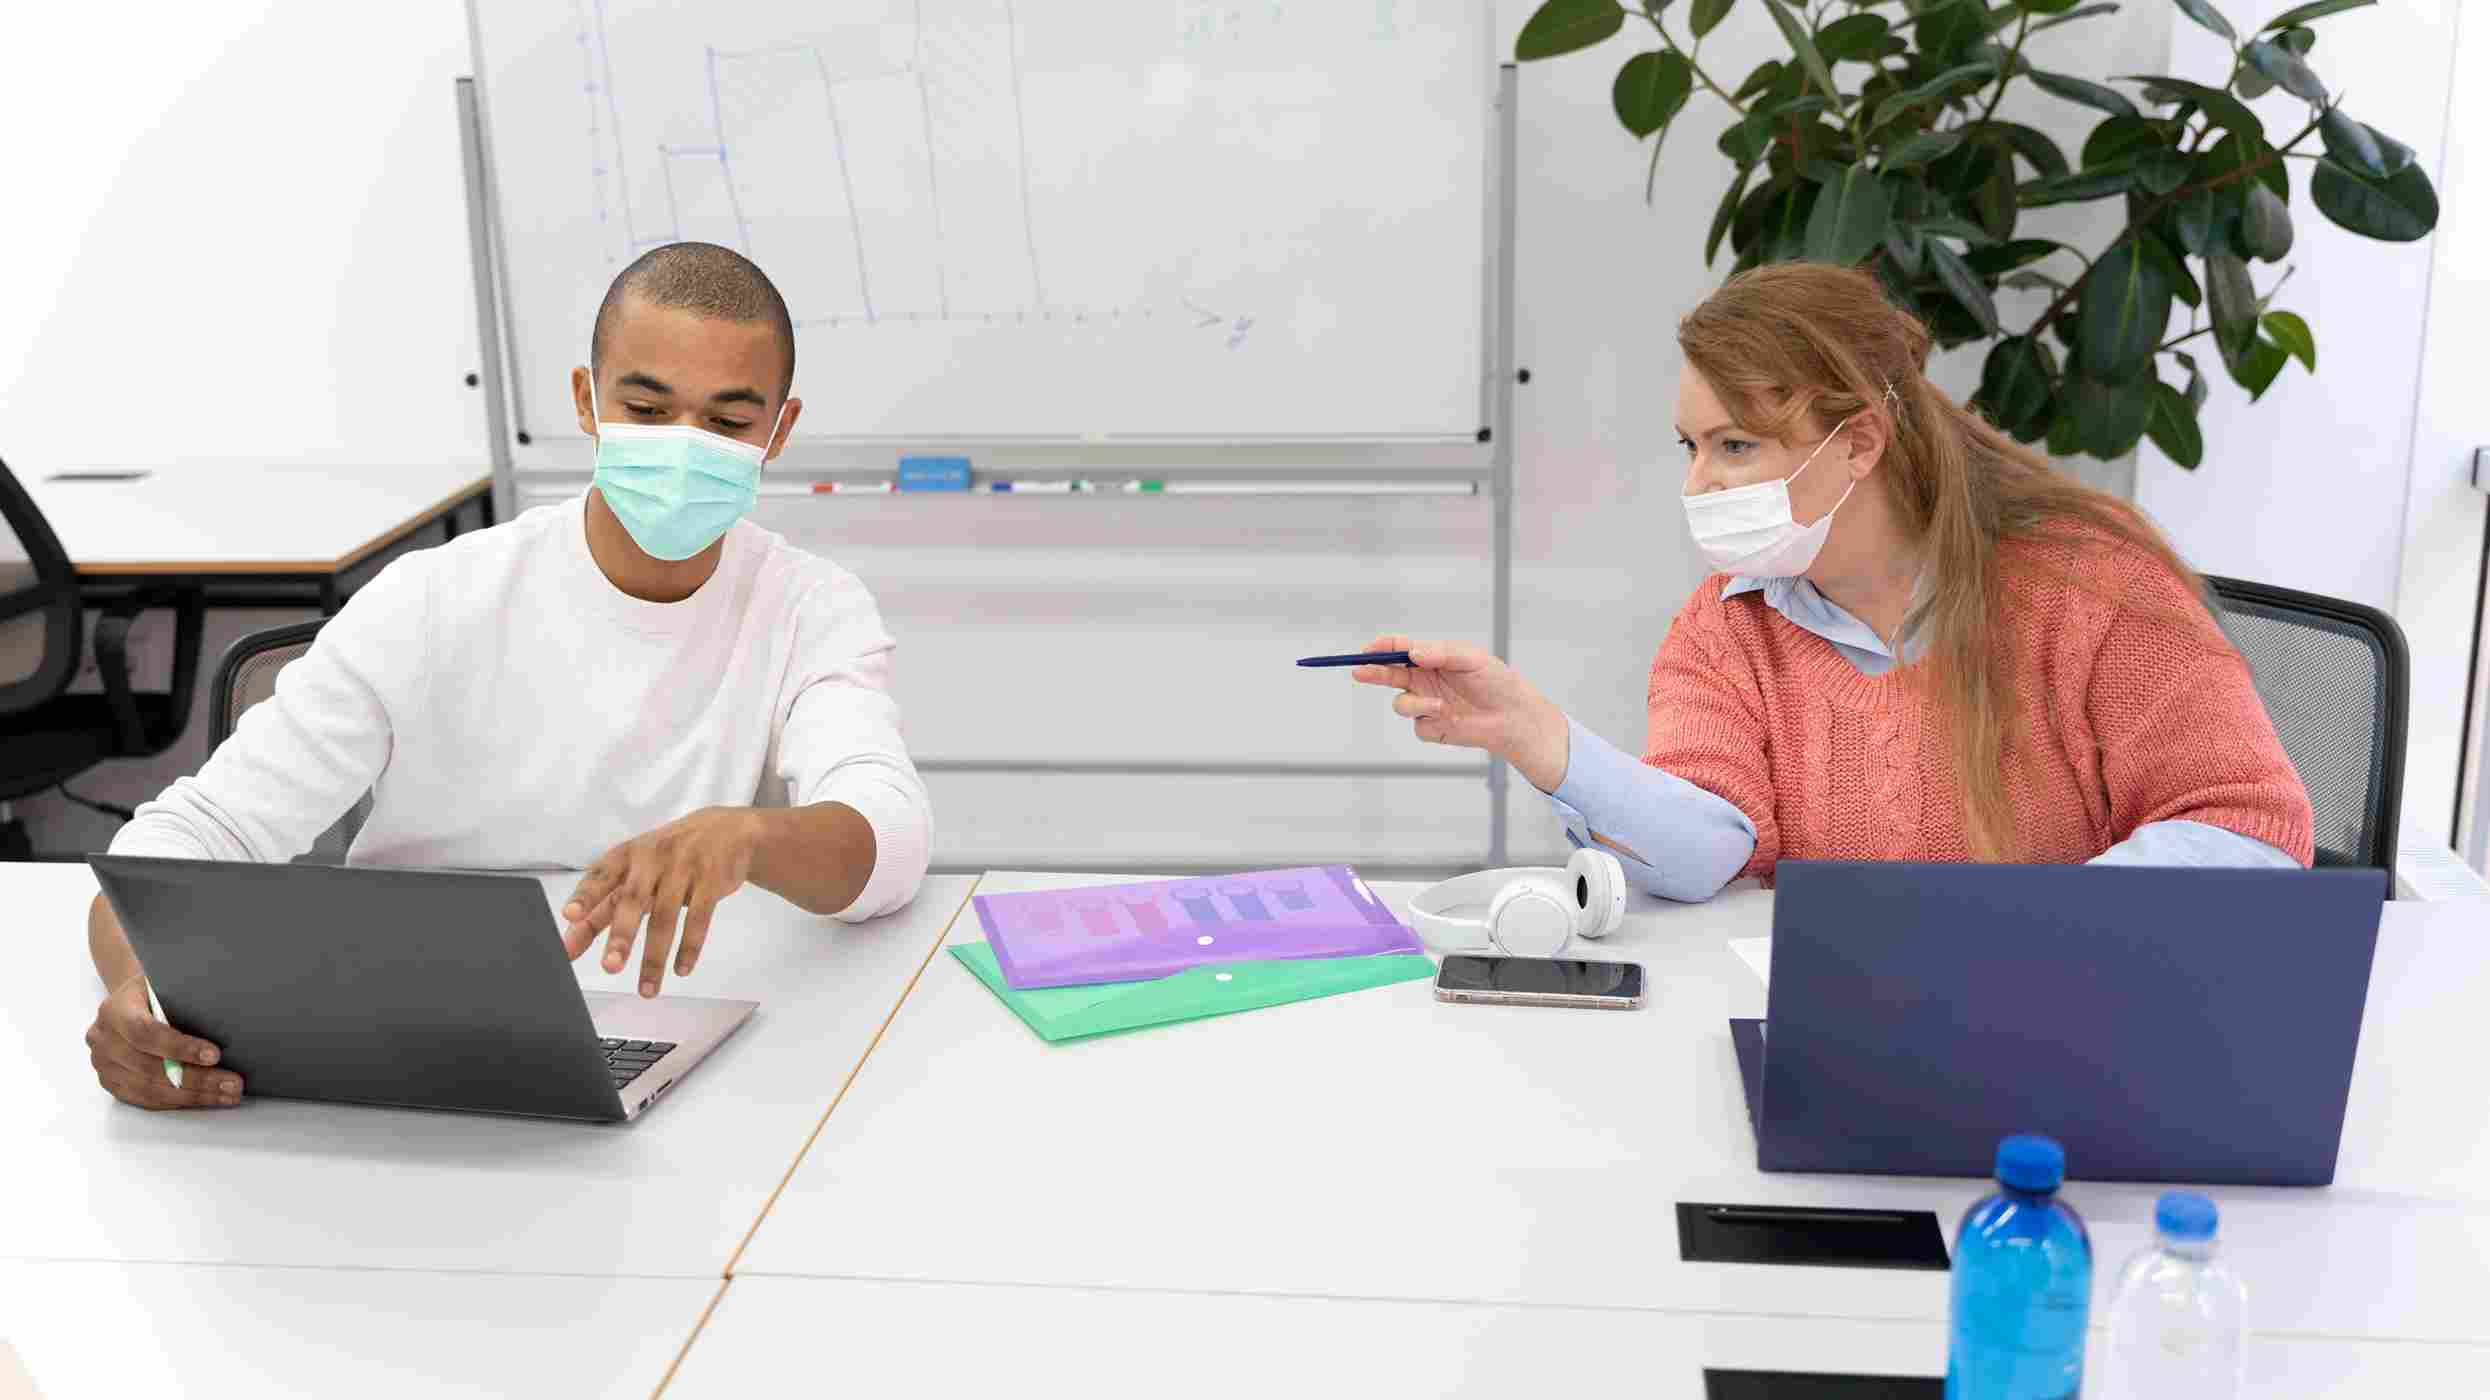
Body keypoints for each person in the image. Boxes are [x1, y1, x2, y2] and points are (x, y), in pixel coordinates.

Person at [82, 241, 932, 1110]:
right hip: (398, 1045)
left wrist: (748, 839)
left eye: (725, 423)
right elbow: (183, 841)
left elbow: (890, 841)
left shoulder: (809, 607)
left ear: (778, 432)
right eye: (646, 407)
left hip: (690, 1052)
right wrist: (136, 994)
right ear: (587, 402)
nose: (683, 450)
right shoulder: (434, 598)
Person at [1351, 262, 2312, 900]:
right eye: (1690, 447)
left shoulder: (2092, 585)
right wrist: (1535, 734)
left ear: (1858, 443)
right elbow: (1708, 849)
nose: (1698, 483)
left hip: (2074, 1043)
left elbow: (2250, 826)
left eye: (1735, 445)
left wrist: (2041, 943)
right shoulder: (1728, 626)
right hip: (1855, 1040)